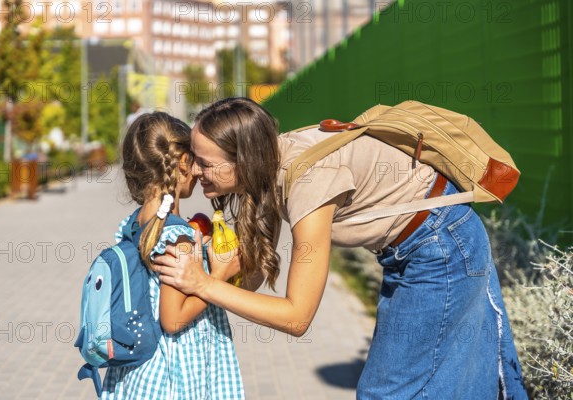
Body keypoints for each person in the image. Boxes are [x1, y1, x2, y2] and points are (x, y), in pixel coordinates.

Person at [153, 97, 529, 399]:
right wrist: (213, 270)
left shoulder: (306, 184)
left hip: (440, 247)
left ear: (242, 159)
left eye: (204, 163)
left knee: (387, 393)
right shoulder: (270, 162)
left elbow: (297, 317)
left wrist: (204, 285)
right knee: (477, 385)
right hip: (426, 244)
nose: (195, 173)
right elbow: (250, 279)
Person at [101, 111, 245, 399]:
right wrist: (220, 273)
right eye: (197, 160)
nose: (201, 171)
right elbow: (173, 319)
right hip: (173, 373)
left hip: (139, 371)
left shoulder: (135, 224)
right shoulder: (175, 235)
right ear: (182, 163)